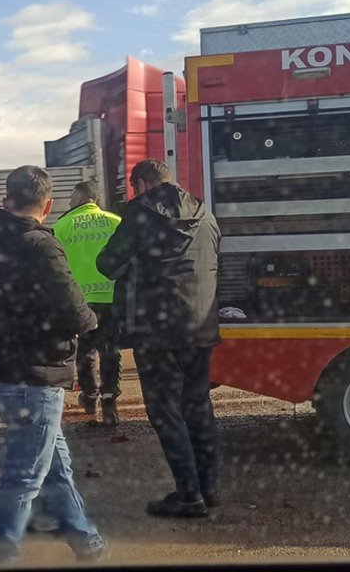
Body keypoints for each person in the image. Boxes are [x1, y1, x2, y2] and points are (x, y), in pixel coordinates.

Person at [0, 165, 107, 564]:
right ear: (47, 205)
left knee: (54, 464)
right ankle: (0, 557)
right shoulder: (41, 245)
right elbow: (71, 307)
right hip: (37, 371)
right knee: (25, 477)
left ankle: (85, 539)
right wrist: (92, 321)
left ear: (5, 198)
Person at [96, 159, 221, 519]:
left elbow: (107, 263)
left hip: (159, 330)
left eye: (135, 188)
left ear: (142, 183)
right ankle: (208, 488)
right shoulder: (206, 214)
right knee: (197, 408)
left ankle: (188, 495)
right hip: (201, 328)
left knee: (165, 412)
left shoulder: (141, 214)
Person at [52, 181, 124, 426]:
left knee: (84, 351)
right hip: (111, 298)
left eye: (72, 198)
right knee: (110, 351)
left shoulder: (62, 225)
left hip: (80, 301)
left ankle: (90, 396)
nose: (69, 202)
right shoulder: (116, 222)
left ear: (82, 198)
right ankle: (109, 402)